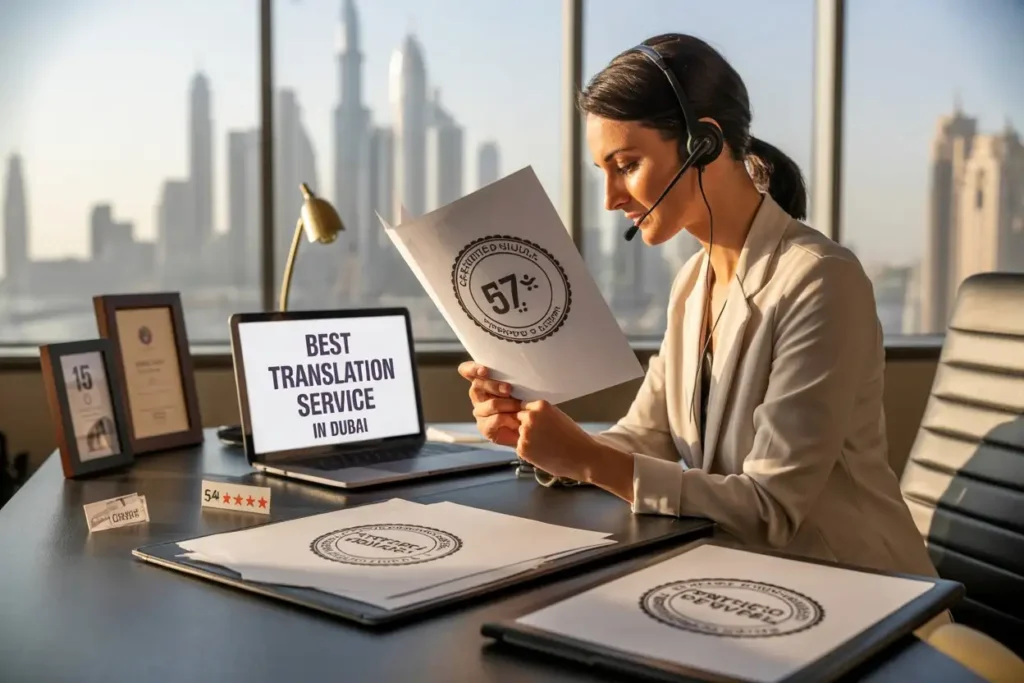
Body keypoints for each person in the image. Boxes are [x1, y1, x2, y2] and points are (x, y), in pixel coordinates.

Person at [457, 33, 940, 581]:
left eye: (627, 165)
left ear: (702, 144)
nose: (612, 197)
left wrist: (589, 460)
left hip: (859, 590)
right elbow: (649, 437)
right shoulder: (693, 282)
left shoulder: (822, 280)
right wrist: (541, 437)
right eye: (604, 172)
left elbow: (771, 508)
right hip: (749, 584)